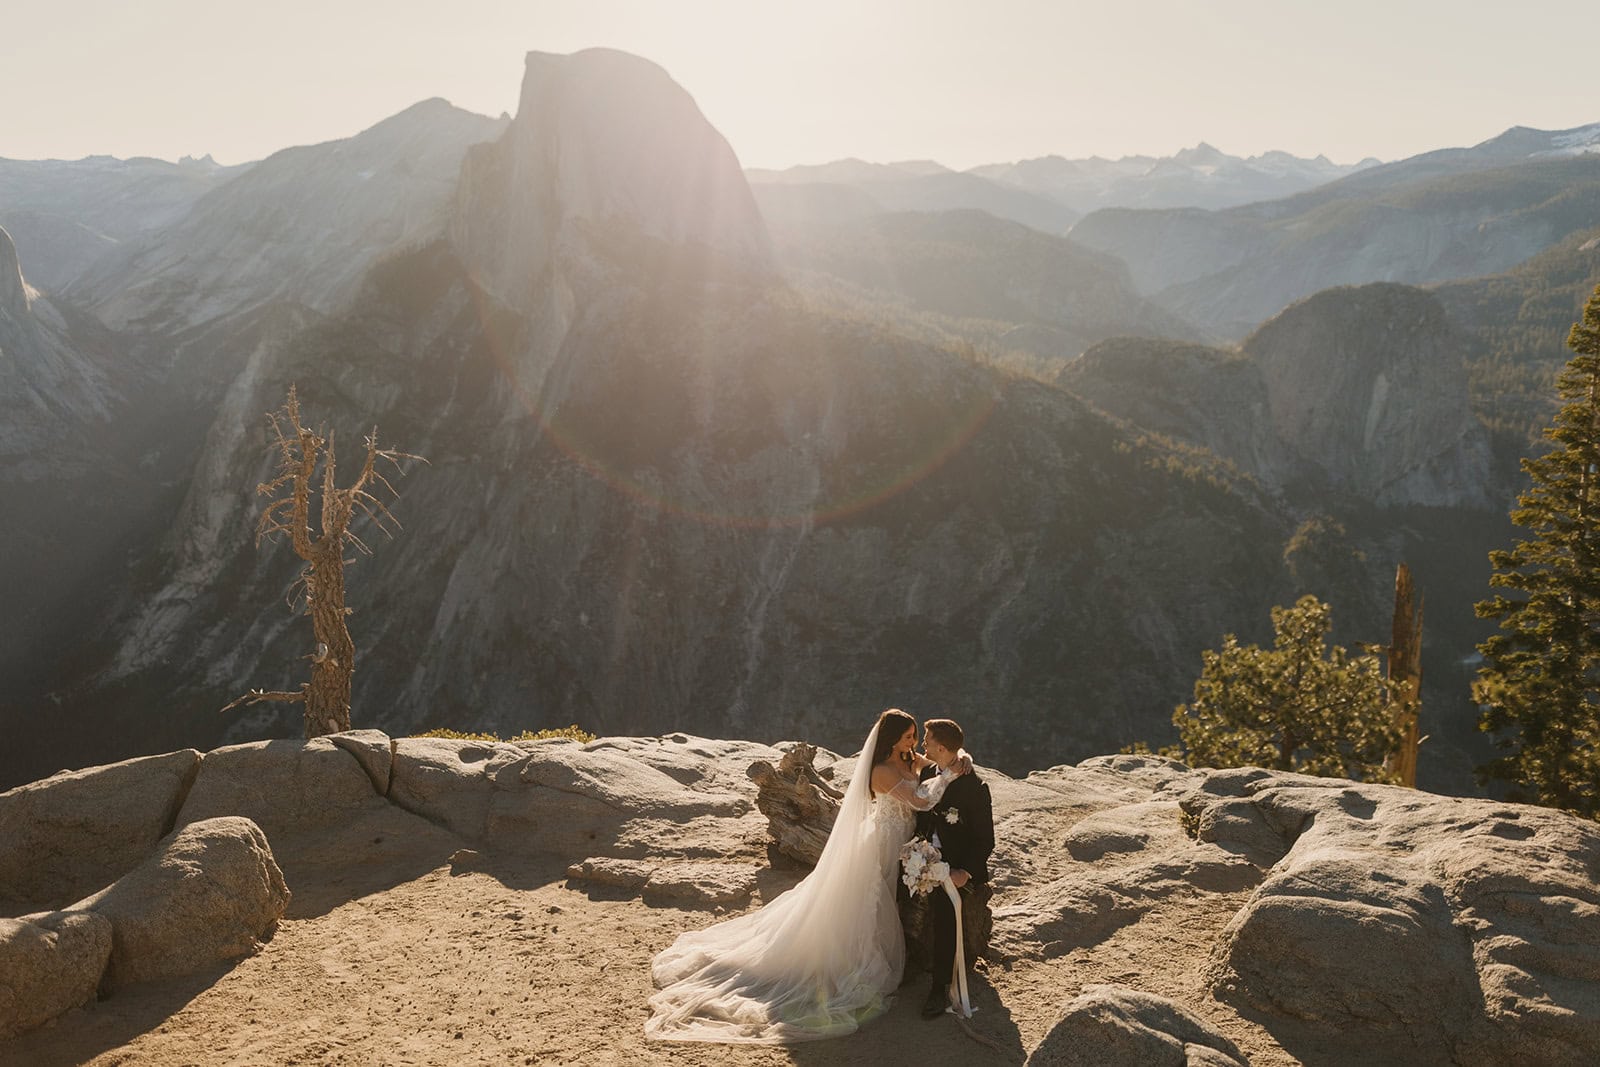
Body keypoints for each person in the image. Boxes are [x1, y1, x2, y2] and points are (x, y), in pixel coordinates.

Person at [645, 709, 968, 1043]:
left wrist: (961, 758)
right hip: (884, 842)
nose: (913, 743)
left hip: (901, 841)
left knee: (883, 900)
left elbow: (933, 762)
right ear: (890, 739)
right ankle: (853, 963)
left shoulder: (907, 758)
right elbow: (918, 800)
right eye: (907, 737)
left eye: (914, 736)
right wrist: (946, 778)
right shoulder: (881, 771)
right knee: (869, 902)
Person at [912, 717, 994, 1019]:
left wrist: (965, 873)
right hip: (921, 857)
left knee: (946, 912)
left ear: (943, 747)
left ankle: (940, 986)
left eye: (927, 740)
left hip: (956, 866)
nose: (923, 744)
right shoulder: (928, 772)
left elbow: (985, 840)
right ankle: (904, 965)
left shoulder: (974, 787)